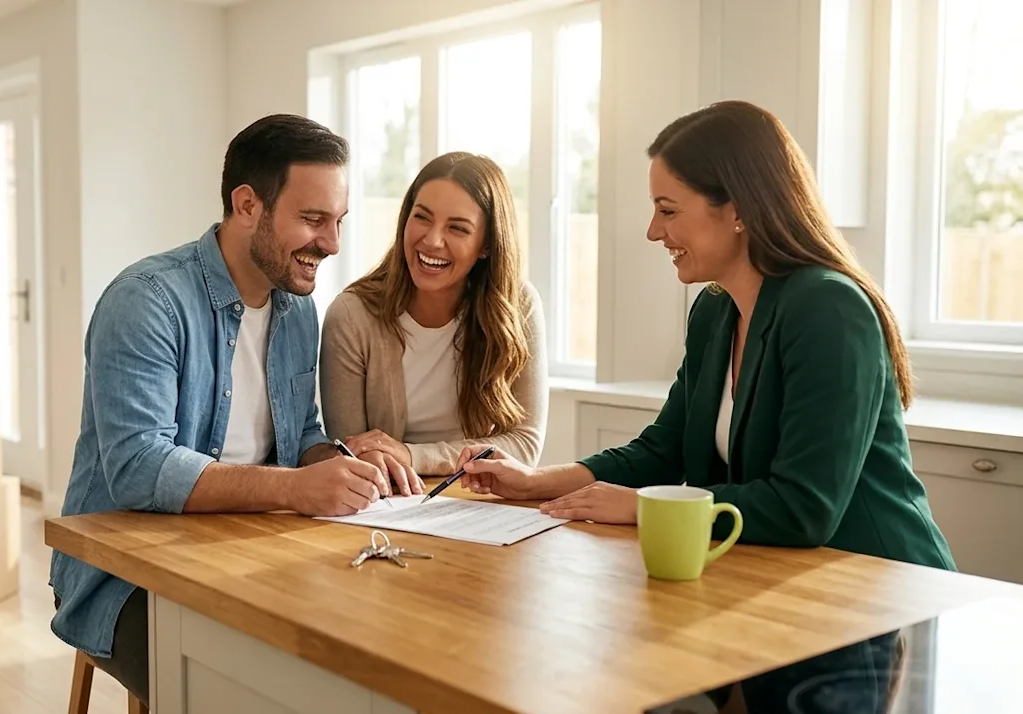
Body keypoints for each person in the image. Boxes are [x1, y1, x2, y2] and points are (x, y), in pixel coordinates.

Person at [452, 101, 952, 712]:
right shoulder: (715, 311)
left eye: (668, 210)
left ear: (736, 209)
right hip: (774, 586)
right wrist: (537, 482)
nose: (653, 231)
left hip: (875, 600)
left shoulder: (827, 308)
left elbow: (805, 508)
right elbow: (663, 448)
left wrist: (640, 508)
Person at [48, 114, 390, 706]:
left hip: (248, 547)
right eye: (312, 220)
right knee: (251, 691)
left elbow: (300, 430)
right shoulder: (147, 300)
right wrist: (295, 489)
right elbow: (137, 467)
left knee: (360, 658)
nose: (331, 244)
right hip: (125, 576)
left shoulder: (296, 307)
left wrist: (341, 462)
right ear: (247, 204)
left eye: (337, 222)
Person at [318, 151, 548, 492]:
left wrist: (412, 456)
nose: (432, 240)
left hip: (481, 504)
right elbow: (354, 453)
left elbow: (524, 446)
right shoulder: (352, 316)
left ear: (486, 244)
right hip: (388, 503)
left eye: (457, 228)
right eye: (422, 217)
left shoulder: (519, 306)